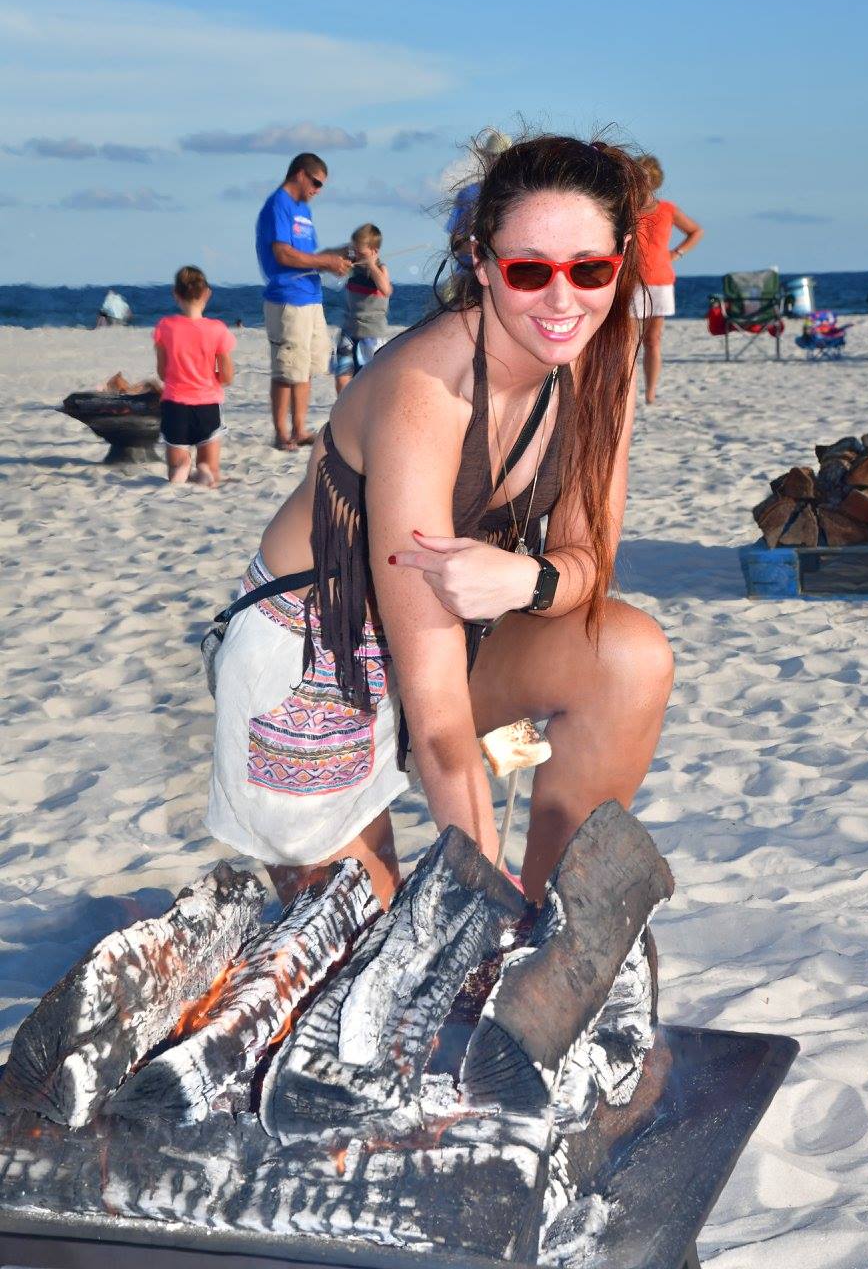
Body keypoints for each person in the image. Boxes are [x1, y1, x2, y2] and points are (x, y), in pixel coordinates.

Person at [208, 133, 674, 911]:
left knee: (630, 658)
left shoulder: (602, 368)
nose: (563, 301)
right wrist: (475, 905)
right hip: (315, 660)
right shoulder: (424, 394)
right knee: (362, 940)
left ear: (622, 259)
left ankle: (548, 917)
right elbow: (438, 724)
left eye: (589, 269)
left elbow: (590, 562)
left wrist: (530, 576)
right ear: (483, 263)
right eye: (530, 271)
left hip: (459, 645)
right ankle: (491, 913)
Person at [256, 153, 352, 451]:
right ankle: (281, 432)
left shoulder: (303, 210)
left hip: (311, 296)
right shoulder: (278, 205)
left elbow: (309, 255)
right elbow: (283, 254)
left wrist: (342, 254)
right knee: (287, 367)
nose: (318, 190)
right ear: (300, 174)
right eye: (316, 183)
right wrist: (326, 262)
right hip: (287, 297)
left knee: (308, 365)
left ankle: (299, 428)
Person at [154, 266, 235, 487]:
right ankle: (205, 470)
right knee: (211, 466)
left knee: (175, 466)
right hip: (207, 405)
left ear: (175, 294)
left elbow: (162, 372)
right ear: (207, 293)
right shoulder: (217, 329)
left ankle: (180, 469)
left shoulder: (165, 327)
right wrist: (208, 376)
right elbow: (227, 376)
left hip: (174, 406)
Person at [631, 155, 703, 404]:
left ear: (654, 181)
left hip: (660, 279)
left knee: (653, 340)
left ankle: (650, 393)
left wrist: (676, 253)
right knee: (628, 342)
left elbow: (696, 231)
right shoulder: (625, 209)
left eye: (646, 178)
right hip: (632, 281)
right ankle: (627, 391)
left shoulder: (667, 209)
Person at [332, 224, 393, 393]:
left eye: (361, 252)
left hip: (372, 332)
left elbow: (386, 289)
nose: (357, 255)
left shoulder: (380, 269)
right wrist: (345, 256)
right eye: (354, 251)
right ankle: (343, 405)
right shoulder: (353, 268)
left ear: (374, 251)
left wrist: (372, 265)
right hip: (350, 329)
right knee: (342, 371)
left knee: (367, 376)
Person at [444, 129, 512, 280]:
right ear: (486, 158)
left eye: (504, 157)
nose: (498, 161)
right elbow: (456, 245)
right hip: (469, 275)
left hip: (506, 276)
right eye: (494, 156)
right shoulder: (468, 194)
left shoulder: (519, 196)